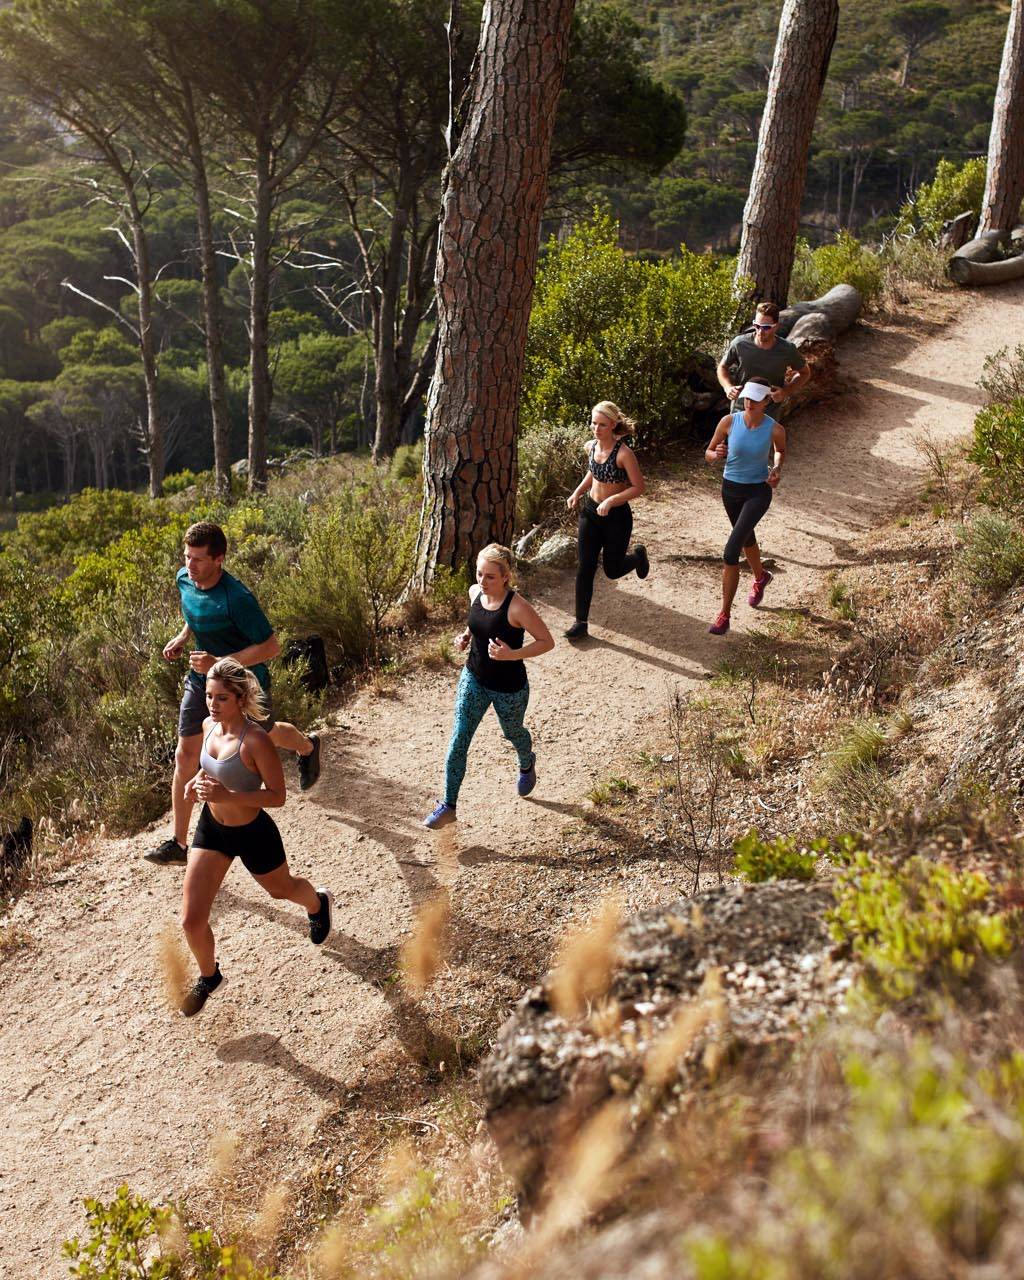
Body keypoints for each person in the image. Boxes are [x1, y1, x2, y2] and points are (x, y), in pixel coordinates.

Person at [144, 520, 320, 867]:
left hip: (243, 684)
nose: (190, 566)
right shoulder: (185, 579)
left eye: (198, 559)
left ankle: (307, 746)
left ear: (219, 559)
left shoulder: (236, 598)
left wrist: (219, 661)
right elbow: (192, 610)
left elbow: (270, 646)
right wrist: (183, 638)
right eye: (187, 557)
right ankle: (180, 843)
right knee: (185, 754)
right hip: (201, 682)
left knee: (266, 735)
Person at [178, 657, 332, 1016]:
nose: (212, 705)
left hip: (252, 832)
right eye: (209, 696)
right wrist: (193, 784)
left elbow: (277, 796)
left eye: (221, 699)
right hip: (212, 829)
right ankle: (210, 976)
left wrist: (228, 796)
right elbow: (208, 769)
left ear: (241, 699)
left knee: (283, 890)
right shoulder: (207, 725)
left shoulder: (256, 741)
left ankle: (317, 904)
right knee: (191, 920)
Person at [423, 544, 554, 830]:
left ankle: (526, 760)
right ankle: (448, 805)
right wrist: (466, 636)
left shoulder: (517, 607)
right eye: (479, 574)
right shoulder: (475, 593)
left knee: (513, 732)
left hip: (509, 687)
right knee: (459, 739)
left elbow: (547, 642)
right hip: (474, 678)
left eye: (490, 577)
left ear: (506, 576)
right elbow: (477, 622)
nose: (482, 581)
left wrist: (512, 654)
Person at [704, 381, 786, 636]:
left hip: (758, 491)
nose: (749, 402)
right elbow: (707, 452)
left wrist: (776, 469)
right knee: (746, 536)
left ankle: (724, 615)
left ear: (766, 401)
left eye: (755, 399)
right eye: (747, 398)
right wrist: (716, 454)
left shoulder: (775, 428)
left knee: (731, 552)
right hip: (730, 490)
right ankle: (761, 577)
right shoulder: (728, 422)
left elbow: (780, 451)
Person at [564, 401, 650, 640]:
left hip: (616, 518)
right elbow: (593, 472)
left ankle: (638, 557)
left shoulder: (624, 454)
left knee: (612, 570)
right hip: (591, 513)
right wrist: (577, 492)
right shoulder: (590, 447)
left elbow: (638, 487)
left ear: (613, 425)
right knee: (585, 567)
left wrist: (612, 501)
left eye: (602, 424)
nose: (596, 428)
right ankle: (580, 622)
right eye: (593, 423)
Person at [717, 301, 811, 414]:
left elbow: (805, 373)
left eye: (766, 327)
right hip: (740, 409)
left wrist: (785, 392)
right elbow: (722, 367)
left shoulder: (787, 349)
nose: (760, 331)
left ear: (776, 327)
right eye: (757, 326)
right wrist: (727, 387)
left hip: (769, 412)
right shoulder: (740, 343)